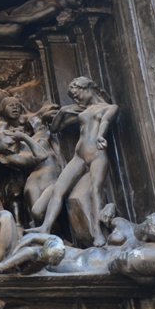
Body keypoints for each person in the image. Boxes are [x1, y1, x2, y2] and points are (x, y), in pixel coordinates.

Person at [30, 77, 118, 246]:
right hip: (79, 156)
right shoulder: (82, 111)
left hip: (97, 154)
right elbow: (55, 128)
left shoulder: (110, 107)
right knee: (58, 189)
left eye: (77, 95)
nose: (76, 100)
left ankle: (98, 233)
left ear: (86, 88)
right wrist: (63, 111)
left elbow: (106, 121)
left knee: (95, 190)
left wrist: (100, 135)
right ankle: (45, 227)